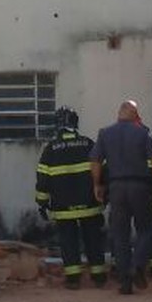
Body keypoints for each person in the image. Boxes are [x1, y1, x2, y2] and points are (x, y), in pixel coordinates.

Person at [89, 99, 152, 295]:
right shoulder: (142, 133)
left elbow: (96, 161)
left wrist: (97, 184)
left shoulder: (105, 133)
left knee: (120, 235)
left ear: (119, 113)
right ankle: (138, 265)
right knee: (148, 227)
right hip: (139, 186)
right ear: (134, 114)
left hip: (116, 188)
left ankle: (125, 282)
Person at [34, 106, 107, 289]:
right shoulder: (89, 144)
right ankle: (98, 276)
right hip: (90, 205)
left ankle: (73, 279)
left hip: (63, 208)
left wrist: (42, 203)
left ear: (57, 125)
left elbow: (43, 179)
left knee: (68, 241)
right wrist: (106, 196)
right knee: (93, 239)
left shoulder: (50, 149)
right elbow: (103, 171)